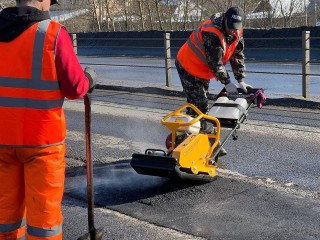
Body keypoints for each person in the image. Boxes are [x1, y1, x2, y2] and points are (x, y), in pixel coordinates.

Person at [0, 0, 98, 239]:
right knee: (44, 223)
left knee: (4, 218)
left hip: (2, 141)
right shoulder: (52, 33)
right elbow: (75, 88)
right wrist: (89, 78)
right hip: (42, 145)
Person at [175, 6, 253, 115]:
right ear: (225, 19)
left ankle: (190, 127)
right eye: (230, 26)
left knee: (196, 104)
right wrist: (228, 83)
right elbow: (216, 64)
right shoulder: (211, 33)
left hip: (202, 68)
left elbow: (237, 55)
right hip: (188, 64)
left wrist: (240, 80)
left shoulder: (237, 32)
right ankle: (195, 127)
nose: (232, 30)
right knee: (200, 104)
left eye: (236, 28)